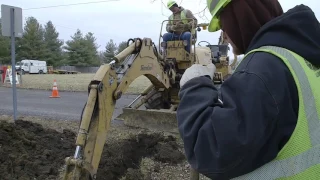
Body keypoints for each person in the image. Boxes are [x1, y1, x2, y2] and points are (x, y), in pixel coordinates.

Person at [177, 0, 320, 179]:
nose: (224, 35)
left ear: (240, 16)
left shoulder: (263, 68)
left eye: (224, 23)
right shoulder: (300, 55)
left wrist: (195, 86)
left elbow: (213, 149)